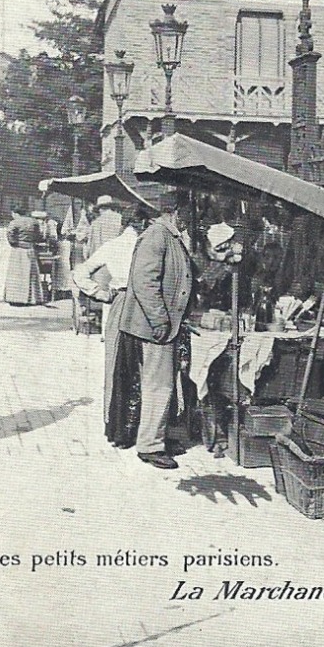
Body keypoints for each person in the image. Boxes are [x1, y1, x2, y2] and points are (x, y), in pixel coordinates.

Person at [117, 191, 193, 470]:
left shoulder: (170, 236)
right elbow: (144, 282)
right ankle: (149, 446)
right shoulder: (157, 236)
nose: (191, 218)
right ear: (175, 211)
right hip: (154, 327)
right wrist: (160, 319)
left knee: (162, 385)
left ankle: (156, 438)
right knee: (158, 386)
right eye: (188, 211)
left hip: (162, 325)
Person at [72, 204, 155, 444]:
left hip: (119, 303)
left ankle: (118, 427)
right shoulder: (146, 247)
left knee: (117, 366)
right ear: (141, 224)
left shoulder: (111, 246)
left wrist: (100, 293)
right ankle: (142, 427)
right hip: (146, 306)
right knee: (145, 368)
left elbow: (79, 274)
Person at [3, 205, 43, 306]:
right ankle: (32, 298)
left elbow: (9, 234)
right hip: (30, 249)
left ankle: (16, 298)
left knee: (16, 273)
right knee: (30, 273)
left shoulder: (15, 222)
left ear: (16, 213)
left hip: (18, 250)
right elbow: (39, 235)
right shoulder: (34, 222)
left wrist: (14, 243)